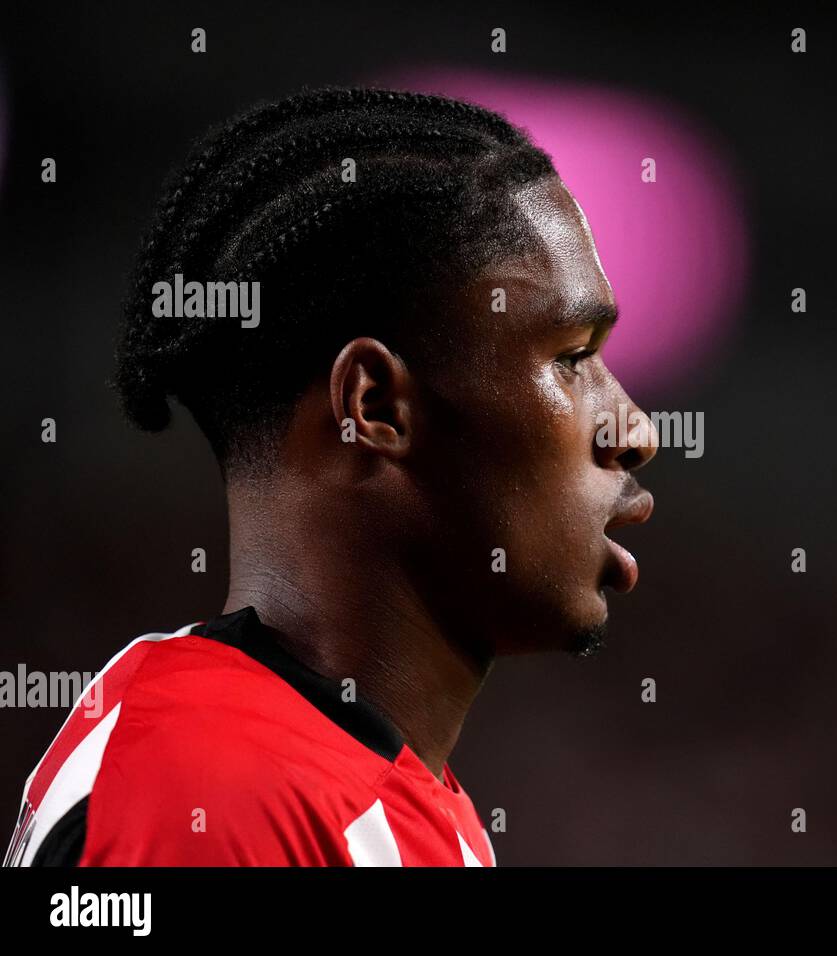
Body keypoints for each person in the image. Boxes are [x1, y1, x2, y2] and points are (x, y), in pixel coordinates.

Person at [5, 87, 657, 867]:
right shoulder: (207, 794)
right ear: (376, 404)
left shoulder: (374, 793)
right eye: (573, 357)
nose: (637, 431)